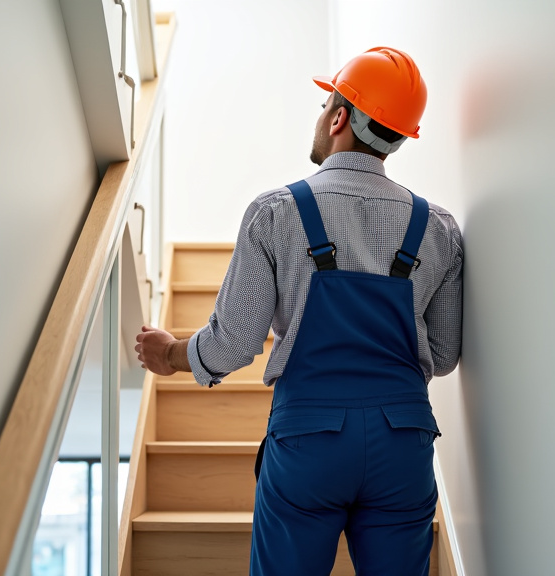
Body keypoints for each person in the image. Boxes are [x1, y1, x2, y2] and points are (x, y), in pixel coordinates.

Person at [135, 47, 463, 576]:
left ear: (339, 118)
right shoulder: (439, 228)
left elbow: (235, 344)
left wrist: (171, 354)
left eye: (323, 106)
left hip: (309, 440)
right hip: (403, 442)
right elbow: (443, 355)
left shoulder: (276, 212)